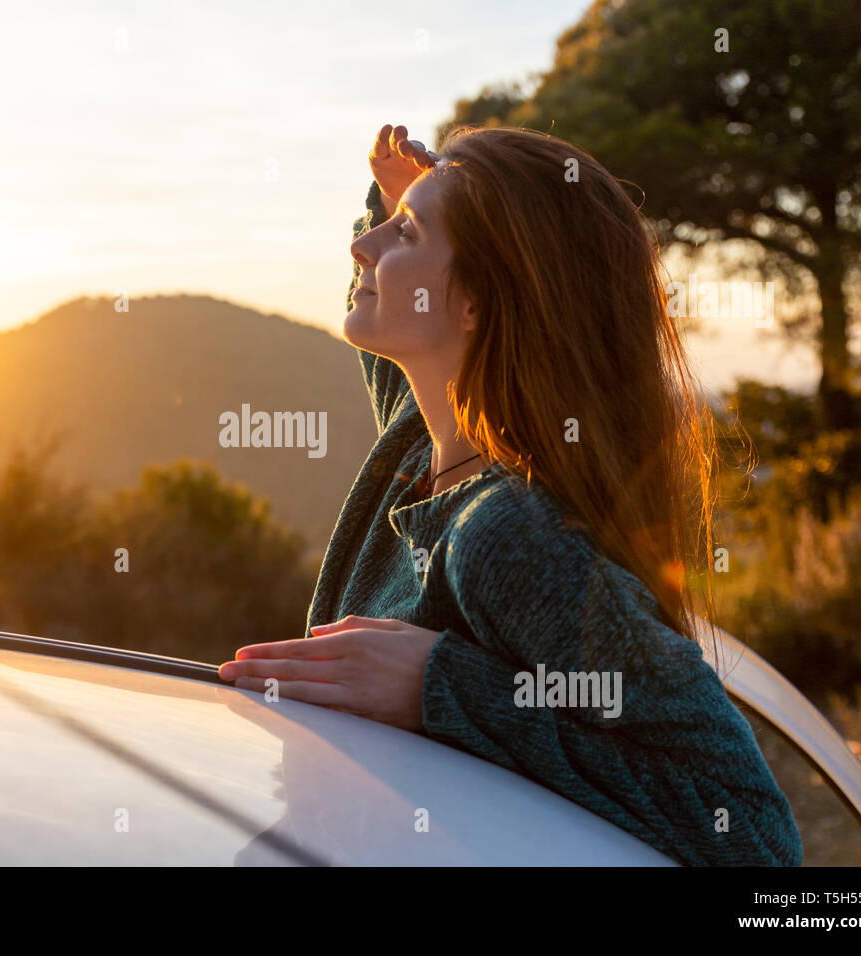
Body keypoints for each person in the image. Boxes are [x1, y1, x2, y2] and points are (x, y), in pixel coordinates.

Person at [219, 123, 802, 866]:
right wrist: (401, 201)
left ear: (477, 303)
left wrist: (447, 692)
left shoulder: (507, 537)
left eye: (404, 236)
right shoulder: (416, 446)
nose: (363, 249)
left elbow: (753, 832)